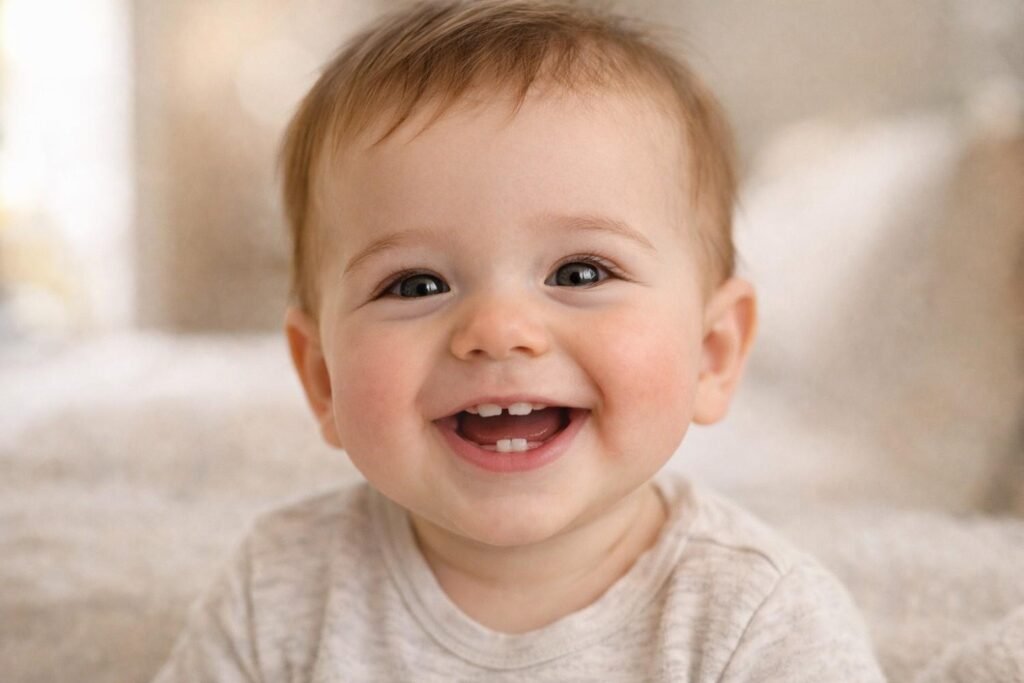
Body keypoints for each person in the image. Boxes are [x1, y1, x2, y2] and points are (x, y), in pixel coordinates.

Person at [155, 1, 884, 680]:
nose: (497, 330)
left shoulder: (758, 623)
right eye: (415, 284)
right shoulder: (282, 589)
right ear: (321, 379)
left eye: (580, 270)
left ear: (714, 352)